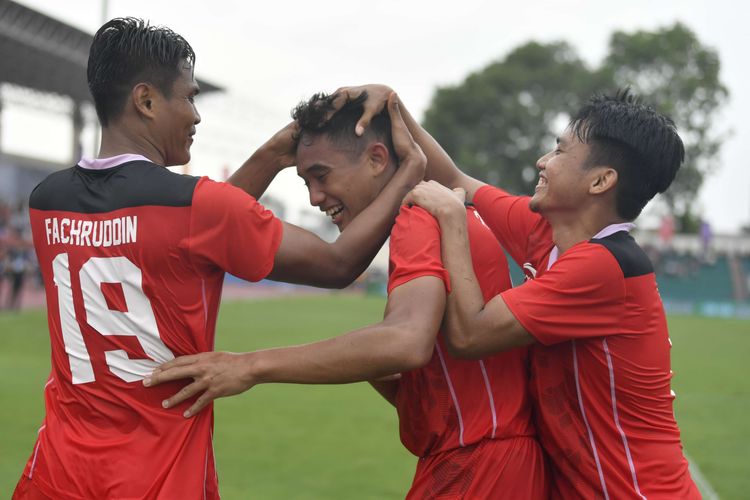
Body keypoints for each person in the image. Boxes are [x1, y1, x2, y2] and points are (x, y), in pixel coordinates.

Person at [13, 20, 424, 500]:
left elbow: (190, 236)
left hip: (56, 473)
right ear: (145, 101)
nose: (196, 115)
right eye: (188, 98)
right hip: (157, 478)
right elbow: (336, 265)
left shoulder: (46, 202)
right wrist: (409, 172)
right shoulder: (193, 206)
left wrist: (272, 155)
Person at [146, 92, 548, 499]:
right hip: (488, 460)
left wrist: (250, 365)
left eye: (322, 176)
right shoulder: (442, 211)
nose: (314, 197)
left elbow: (406, 341)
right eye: (305, 182)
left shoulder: (418, 215)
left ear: (376, 159)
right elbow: (454, 383)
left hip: (477, 466)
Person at [341, 85, 698, 498]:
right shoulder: (548, 233)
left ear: (601, 181)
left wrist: (454, 221)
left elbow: (469, 335)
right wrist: (391, 106)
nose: (542, 161)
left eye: (561, 152)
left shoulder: (604, 267)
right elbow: (454, 178)